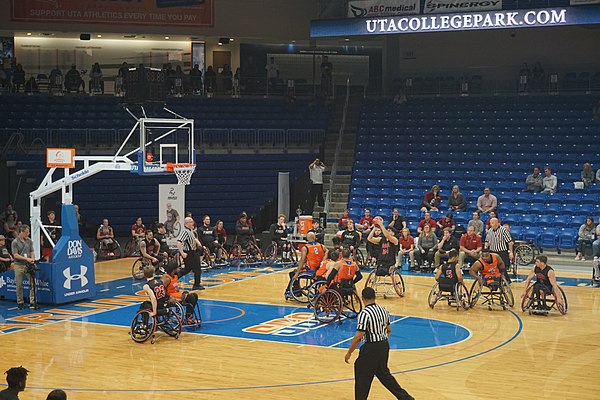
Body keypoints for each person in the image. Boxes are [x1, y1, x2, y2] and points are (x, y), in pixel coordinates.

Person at [344, 287, 414, 400]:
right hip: (384, 345)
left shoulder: (365, 313)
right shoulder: (383, 310)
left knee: (362, 377)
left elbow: (358, 336)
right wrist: (382, 341)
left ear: (363, 298)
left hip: (371, 348)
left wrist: (349, 352)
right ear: (374, 297)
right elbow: (388, 330)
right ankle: (406, 398)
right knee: (384, 375)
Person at [11, 225, 38, 310]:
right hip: (18, 265)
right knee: (19, 285)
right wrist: (27, 258)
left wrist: (32, 259)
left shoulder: (29, 241)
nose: (28, 234)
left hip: (28, 264)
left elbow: (32, 251)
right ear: (22, 232)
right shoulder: (15, 242)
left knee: (32, 283)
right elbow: (15, 255)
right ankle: (20, 302)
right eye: (26, 232)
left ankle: (32, 301)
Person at [176, 217, 205, 291]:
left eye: (192, 221)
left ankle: (174, 277)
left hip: (193, 252)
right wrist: (182, 252)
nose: (192, 223)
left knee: (189, 269)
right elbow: (179, 241)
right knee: (194, 269)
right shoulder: (185, 232)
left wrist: (197, 242)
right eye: (191, 222)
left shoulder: (190, 230)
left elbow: (193, 239)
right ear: (186, 223)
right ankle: (174, 277)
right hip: (189, 253)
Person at [485, 217, 513, 282]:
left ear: (497, 223)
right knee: (493, 266)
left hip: (502, 252)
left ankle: (506, 280)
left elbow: (510, 242)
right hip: (492, 251)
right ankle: (497, 279)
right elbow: (487, 241)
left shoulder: (503, 230)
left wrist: (511, 252)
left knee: (502, 267)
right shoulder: (490, 230)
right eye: (490, 223)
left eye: (492, 223)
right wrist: (485, 249)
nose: (491, 224)